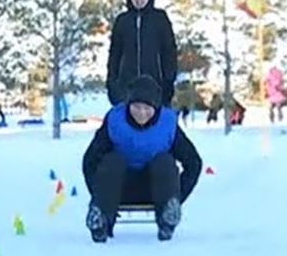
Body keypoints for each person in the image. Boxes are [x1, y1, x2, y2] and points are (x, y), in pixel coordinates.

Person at [82, 75, 202, 242]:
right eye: (136, 107)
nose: (141, 113)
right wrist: (98, 196)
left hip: (157, 190)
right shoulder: (115, 121)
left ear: (156, 107)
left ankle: (168, 215)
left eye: (147, 108)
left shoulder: (168, 124)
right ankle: (100, 217)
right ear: (128, 105)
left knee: (164, 161)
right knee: (113, 160)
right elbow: (90, 160)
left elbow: (193, 163)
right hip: (119, 189)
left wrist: (178, 197)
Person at [106, 0, 178, 108]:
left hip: (156, 88)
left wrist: (168, 83)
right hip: (126, 90)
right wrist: (112, 85)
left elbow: (169, 53)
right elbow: (114, 56)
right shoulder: (122, 21)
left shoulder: (160, 19)